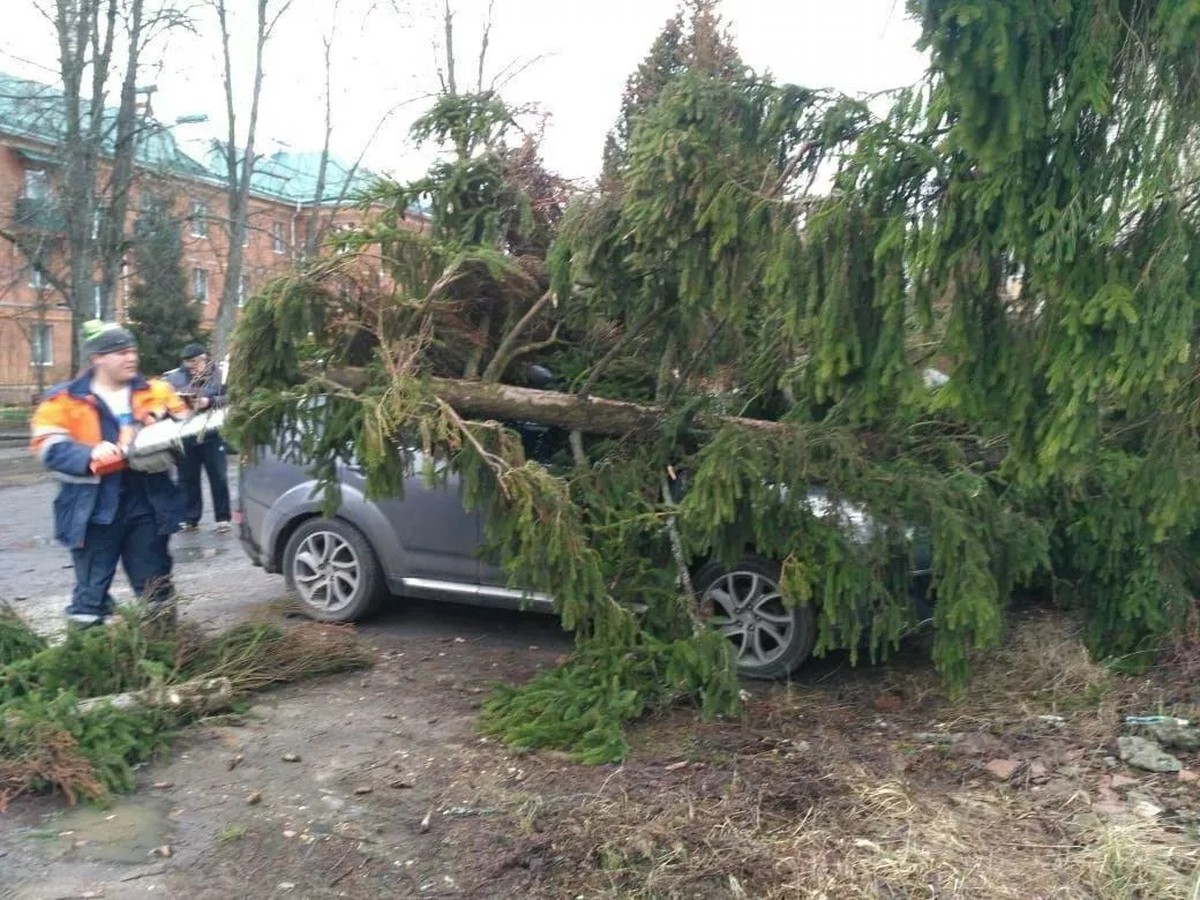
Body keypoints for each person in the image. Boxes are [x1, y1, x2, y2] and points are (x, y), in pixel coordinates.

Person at [30, 320, 189, 628]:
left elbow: (185, 419)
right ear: (96, 358)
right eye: (119, 352)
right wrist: (88, 454)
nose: (130, 357)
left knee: (156, 585)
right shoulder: (63, 399)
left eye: (132, 351)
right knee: (91, 592)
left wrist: (159, 421)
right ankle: (88, 657)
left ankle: (165, 653)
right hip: (92, 508)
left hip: (147, 501)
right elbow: (46, 445)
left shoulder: (156, 390)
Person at [164, 342, 231, 533]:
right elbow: (165, 400)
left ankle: (223, 518)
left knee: (218, 476)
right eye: (187, 363)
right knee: (187, 479)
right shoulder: (174, 377)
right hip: (186, 434)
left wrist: (208, 401)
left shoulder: (220, 375)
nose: (191, 367)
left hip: (212, 433)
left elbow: (231, 397)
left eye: (195, 362)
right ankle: (190, 517)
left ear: (205, 358)